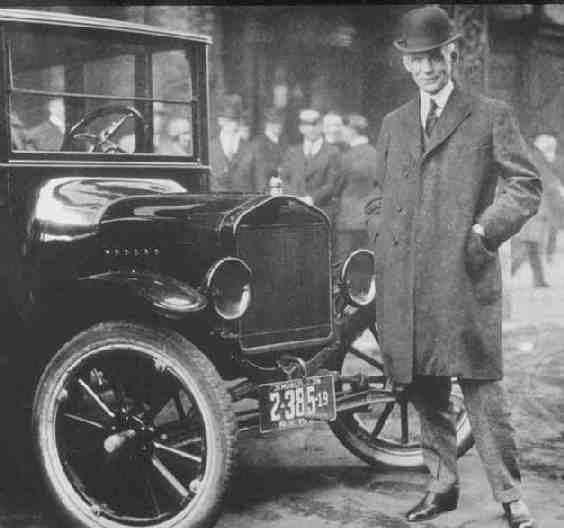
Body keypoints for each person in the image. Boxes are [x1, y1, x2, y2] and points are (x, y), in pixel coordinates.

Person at [367, 6, 541, 528]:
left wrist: (485, 231)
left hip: (463, 277)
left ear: (452, 53)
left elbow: (525, 186)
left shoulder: (490, 114)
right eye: (415, 60)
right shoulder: (394, 124)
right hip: (407, 282)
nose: (426, 69)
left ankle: (511, 498)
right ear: (406, 64)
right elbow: (378, 198)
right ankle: (441, 488)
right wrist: (381, 235)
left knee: (483, 391)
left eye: (434, 57)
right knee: (425, 390)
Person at [511, 134, 562, 286]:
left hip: (531, 207)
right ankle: (509, 276)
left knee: (531, 245)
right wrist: (557, 186)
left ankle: (538, 279)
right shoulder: (536, 161)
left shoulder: (534, 159)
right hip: (532, 208)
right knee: (528, 244)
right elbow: (546, 181)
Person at [280, 108, 341, 221]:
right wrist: (295, 198)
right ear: (301, 128)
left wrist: (312, 199)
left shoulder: (332, 152)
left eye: (315, 125)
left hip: (320, 212)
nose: (311, 129)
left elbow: (332, 184)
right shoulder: (292, 151)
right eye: (307, 125)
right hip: (293, 212)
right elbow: (283, 179)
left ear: (322, 127)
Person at [334, 113, 378, 260]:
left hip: (348, 219)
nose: (341, 132)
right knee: (366, 262)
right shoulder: (375, 153)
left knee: (344, 263)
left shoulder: (346, 156)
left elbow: (336, 186)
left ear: (352, 131)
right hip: (370, 218)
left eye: (344, 129)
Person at [209, 94, 253, 191]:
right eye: (228, 120)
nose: (233, 125)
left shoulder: (249, 148)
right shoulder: (210, 148)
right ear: (220, 121)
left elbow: (255, 181)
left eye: (235, 120)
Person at [245, 107, 285, 192]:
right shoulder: (258, 144)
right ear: (267, 124)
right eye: (274, 123)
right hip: (265, 192)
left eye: (280, 122)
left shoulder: (284, 142)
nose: (279, 126)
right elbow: (259, 174)